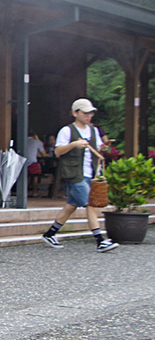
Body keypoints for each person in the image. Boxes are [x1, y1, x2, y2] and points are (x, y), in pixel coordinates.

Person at [41, 98, 119, 252]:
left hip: (90, 173)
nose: (89, 116)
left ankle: (50, 233)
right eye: (85, 113)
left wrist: (103, 148)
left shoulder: (93, 130)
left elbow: (96, 150)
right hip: (74, 173)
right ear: (75, 113)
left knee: (71, 205)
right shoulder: (67, 130)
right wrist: (73, 144)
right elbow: (57, 152)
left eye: (90, 113)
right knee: (91, 204)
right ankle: (100, 240)